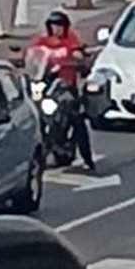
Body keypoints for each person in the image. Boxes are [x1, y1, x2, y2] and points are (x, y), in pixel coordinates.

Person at [25, 10, 96, 172]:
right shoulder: (42, 41)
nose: (56, 29)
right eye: (53, 26)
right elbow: (32, 55)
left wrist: (77, 59)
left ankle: (87, 157)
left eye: (59, 26)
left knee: (77, 119)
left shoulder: (71, 40)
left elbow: (78, 53)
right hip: (45, 84)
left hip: (64, 86)